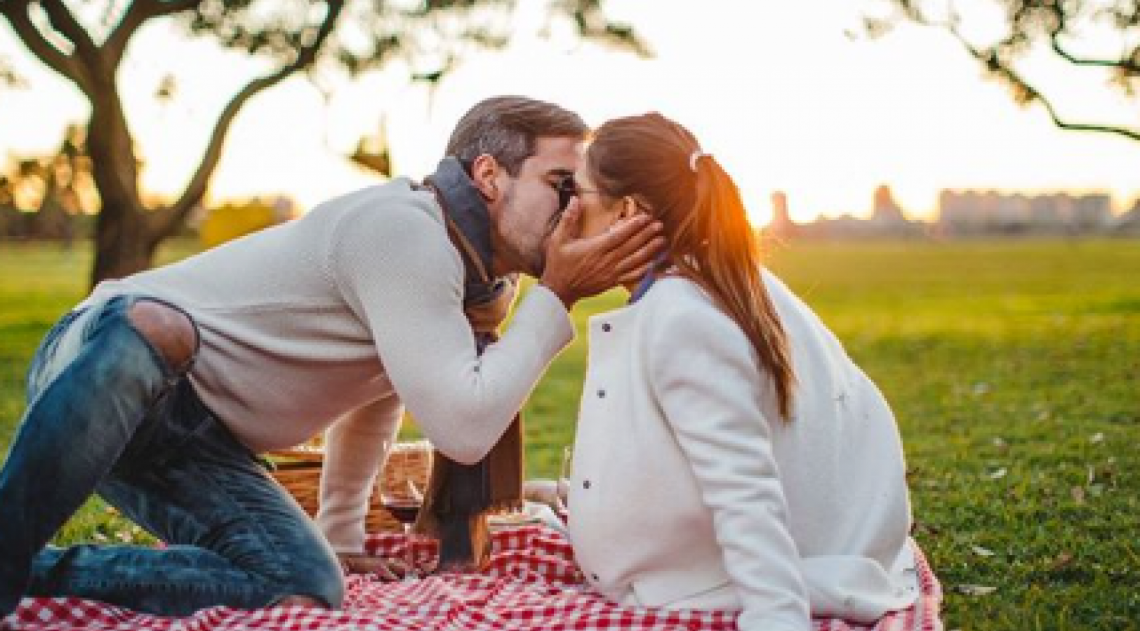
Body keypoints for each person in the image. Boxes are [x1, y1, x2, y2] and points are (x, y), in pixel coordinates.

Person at [0, 96, 663, 618]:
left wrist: (341, 534)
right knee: (156, 328)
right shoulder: (407, 230)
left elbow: (378, 392)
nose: (574, 213)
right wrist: (559, 296)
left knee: (305, 582)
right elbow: (464, 428)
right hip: (106, 358)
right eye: (561, 186)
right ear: (489, 176)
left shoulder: (481, 283)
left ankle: (27, 570)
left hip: (198, 440)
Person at [564, 113, 919, 631]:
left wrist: (777, 617)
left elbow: (743, 489)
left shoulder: (680, 317)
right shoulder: (731, 281)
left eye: (577, 193)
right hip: (826, 545)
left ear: (628, 212)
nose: (569, 212)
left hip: (690, 585)